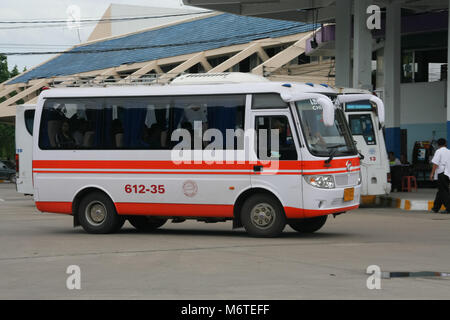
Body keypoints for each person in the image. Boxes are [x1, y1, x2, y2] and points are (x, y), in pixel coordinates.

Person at [429, 138, 450, 214]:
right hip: (448, 173)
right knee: (441, 191)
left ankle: (448, 208)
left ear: (438, 145)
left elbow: (435, 163)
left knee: (444, 191)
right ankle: (436, 207)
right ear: (445, 144)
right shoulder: (449, 151)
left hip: (441, 173)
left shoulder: (438, 151)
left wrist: (432, 173)